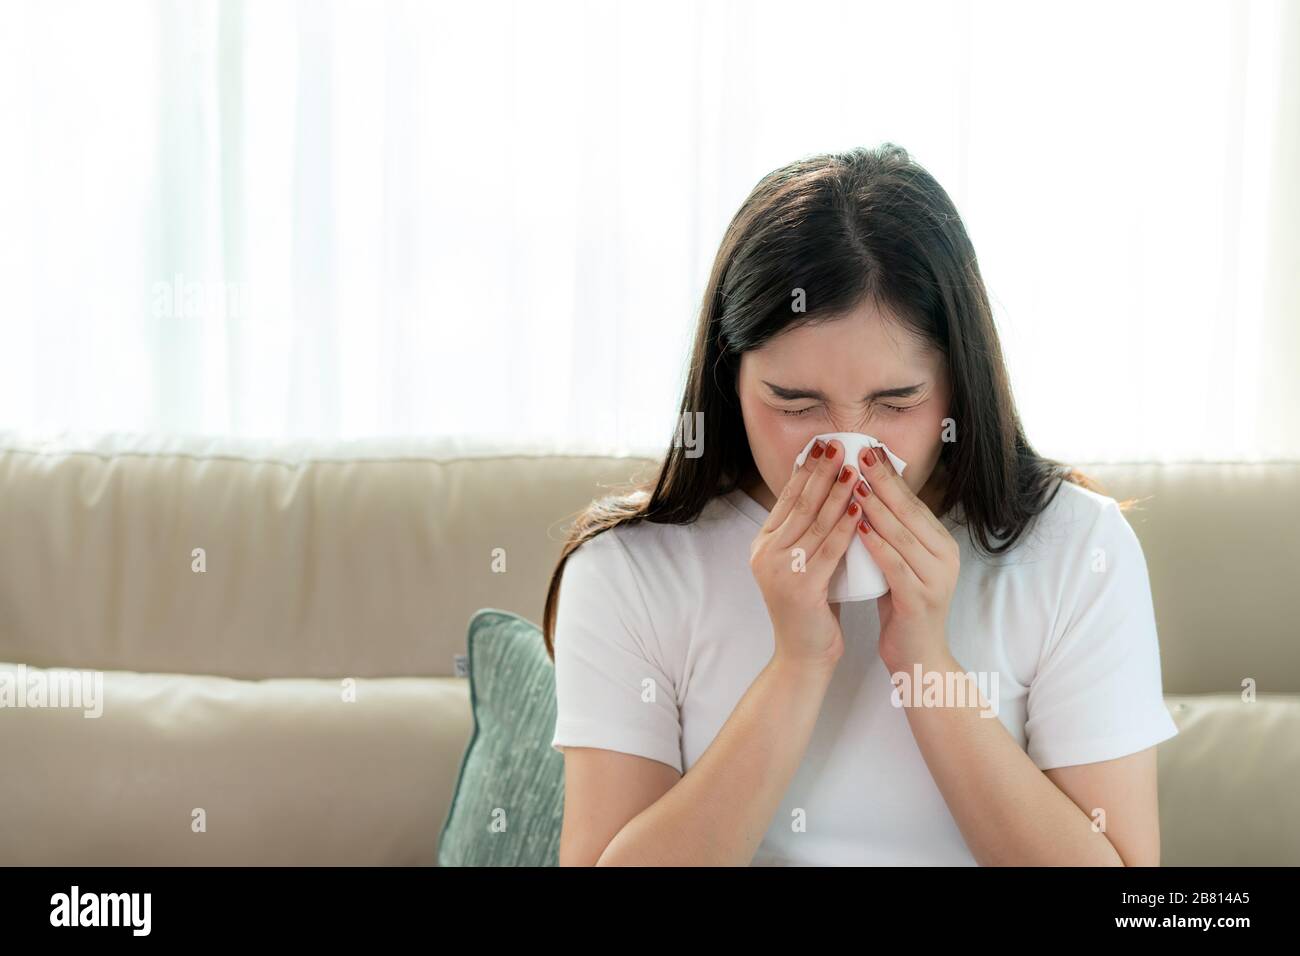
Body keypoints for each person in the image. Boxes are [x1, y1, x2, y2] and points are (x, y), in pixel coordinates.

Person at [544, 143, 1178, 866]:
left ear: (959, 385)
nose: (846, 449)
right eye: (795, 402)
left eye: (895, 401)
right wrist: (797, 665)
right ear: (730, 379)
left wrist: (922, 657)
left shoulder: (1075, 548)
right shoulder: (632, 568)